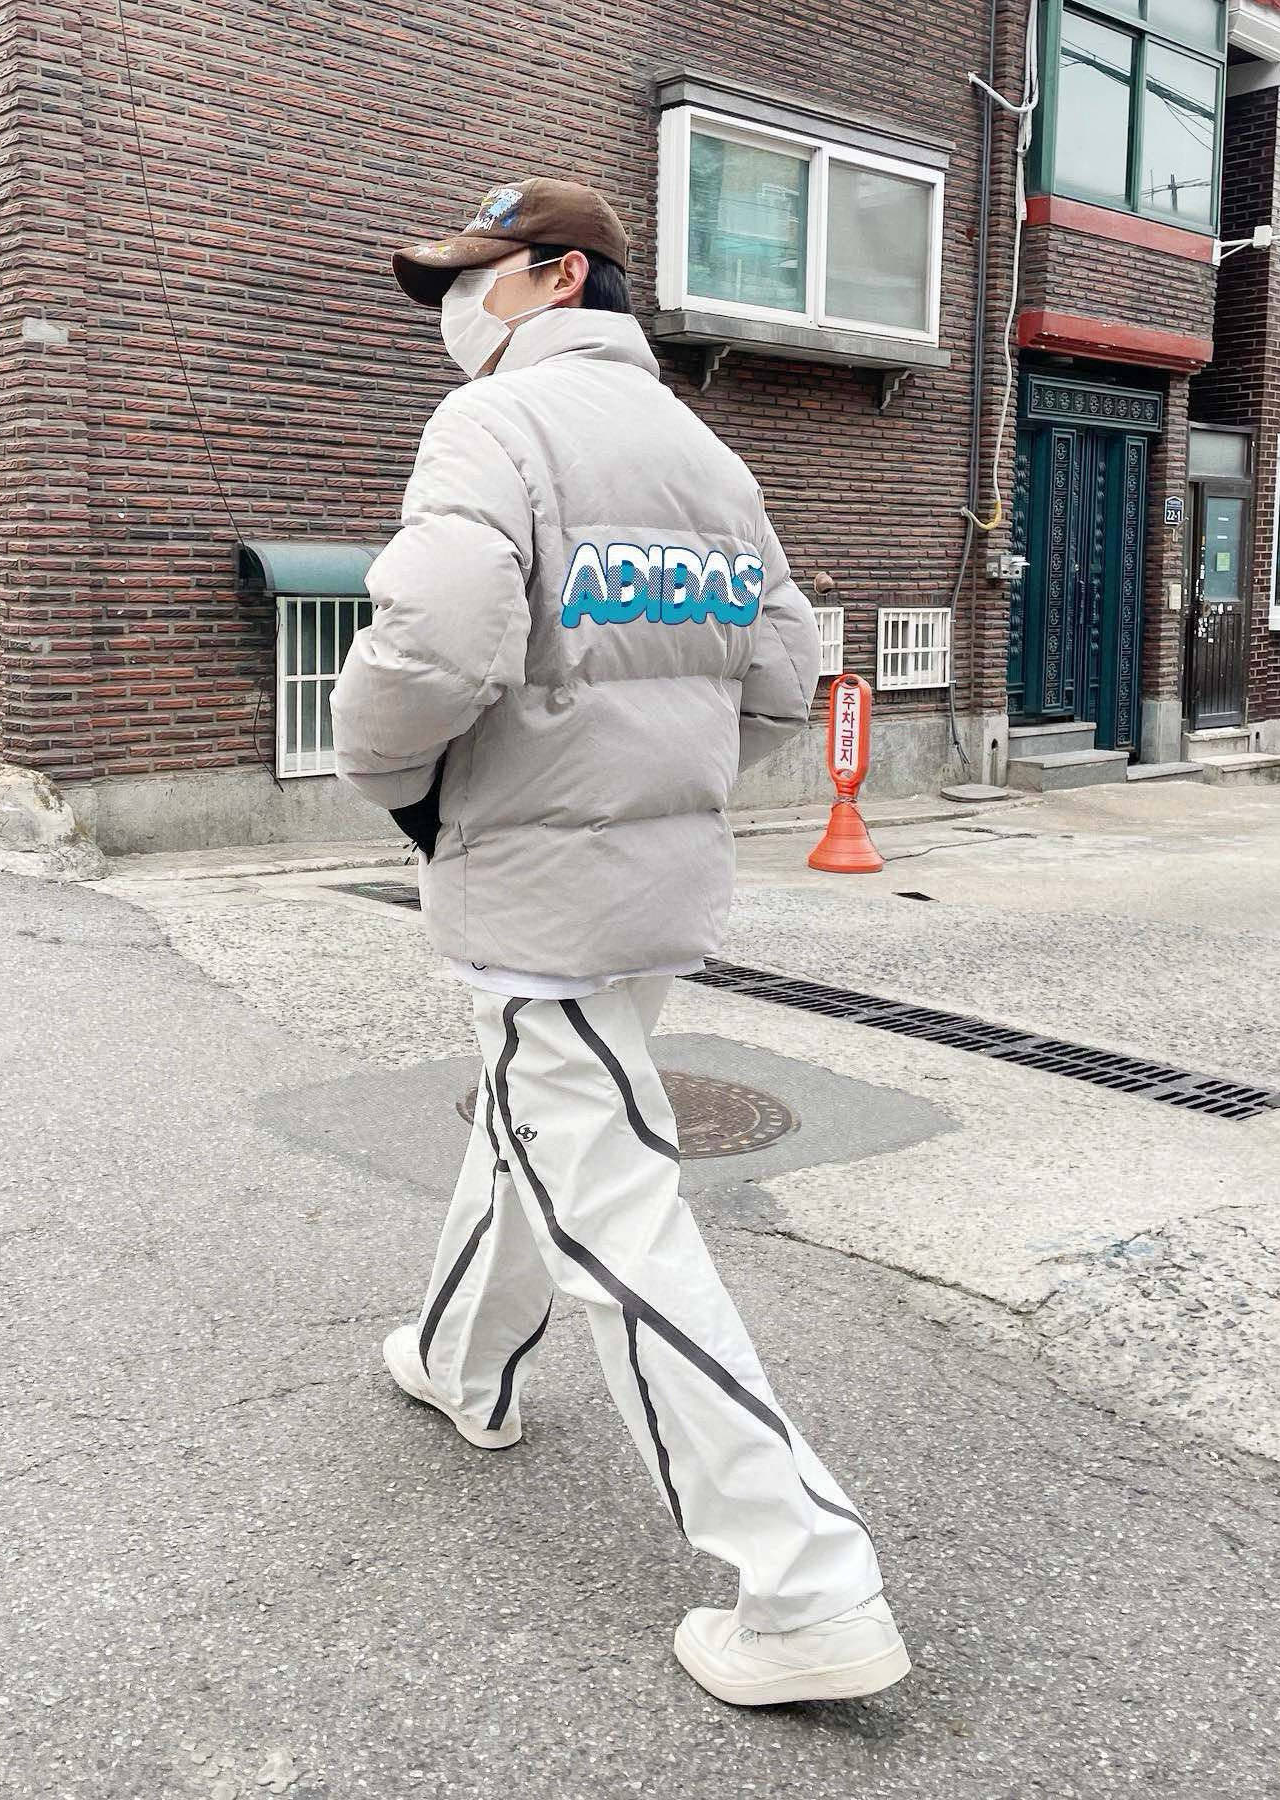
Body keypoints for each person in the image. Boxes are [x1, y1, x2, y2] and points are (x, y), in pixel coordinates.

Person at [330, 176, 909, 1707]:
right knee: (535, 1119)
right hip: (656, 882)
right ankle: (461, 1361)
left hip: (539, 888)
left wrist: (389, 781)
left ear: (562, 275)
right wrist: (667, 784)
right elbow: (783, 670)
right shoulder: (707, 454)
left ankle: (805, 1584)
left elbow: (433, 637)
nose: (456, 308)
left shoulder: (496, 426)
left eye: (478, 276)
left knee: (614, 1214)